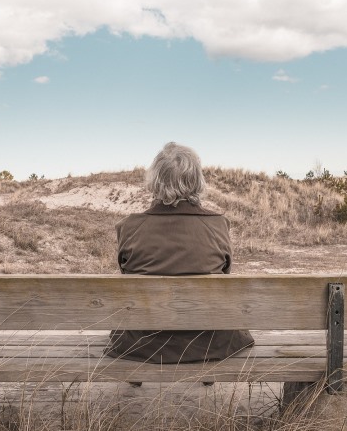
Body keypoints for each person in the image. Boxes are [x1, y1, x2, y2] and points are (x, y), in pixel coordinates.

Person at [104, 142, 255, 364]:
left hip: (144, 344)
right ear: (196, 180)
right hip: (210, 342)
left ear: (155, 181)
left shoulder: (129, 226)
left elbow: (126, 274)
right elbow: (225, 275)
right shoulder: (218, 225)